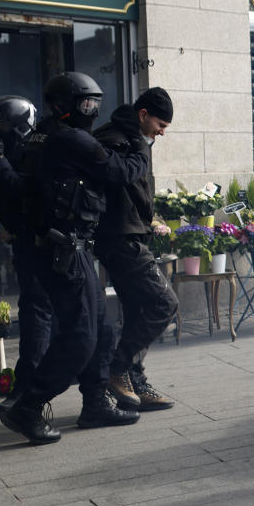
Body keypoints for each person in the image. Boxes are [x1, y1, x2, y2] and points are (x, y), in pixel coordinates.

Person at [0, 72, 149, 445]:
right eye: (86, 103)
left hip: (56, 246)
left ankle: (96, 401)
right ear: (64, 105)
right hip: (62, 249)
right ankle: (29, 405)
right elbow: (123, 171)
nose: (92, 110)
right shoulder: (71, 139)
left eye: (96, 103)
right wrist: (139, 140)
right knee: (80, 336)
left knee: (102, 324)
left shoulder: (39, 135)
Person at [93, 87, 179, 412]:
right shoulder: (117, 139)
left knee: (137, 310)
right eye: (161, 124)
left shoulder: (131, 139)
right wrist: (142, 148)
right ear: (143, 115)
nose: (162, 132)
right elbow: (118, 179)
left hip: (130, 235)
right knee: (164, 303)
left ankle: (135, 382)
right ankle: (117, 369)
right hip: (120, 238)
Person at [0, 96, 57, 413]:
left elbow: (18, 188)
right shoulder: (12, 149)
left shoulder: (34, 151)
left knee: (39, 313)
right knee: (35, 311)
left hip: (46, 245)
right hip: (25, 243)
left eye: (0, 127)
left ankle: (29, 389)